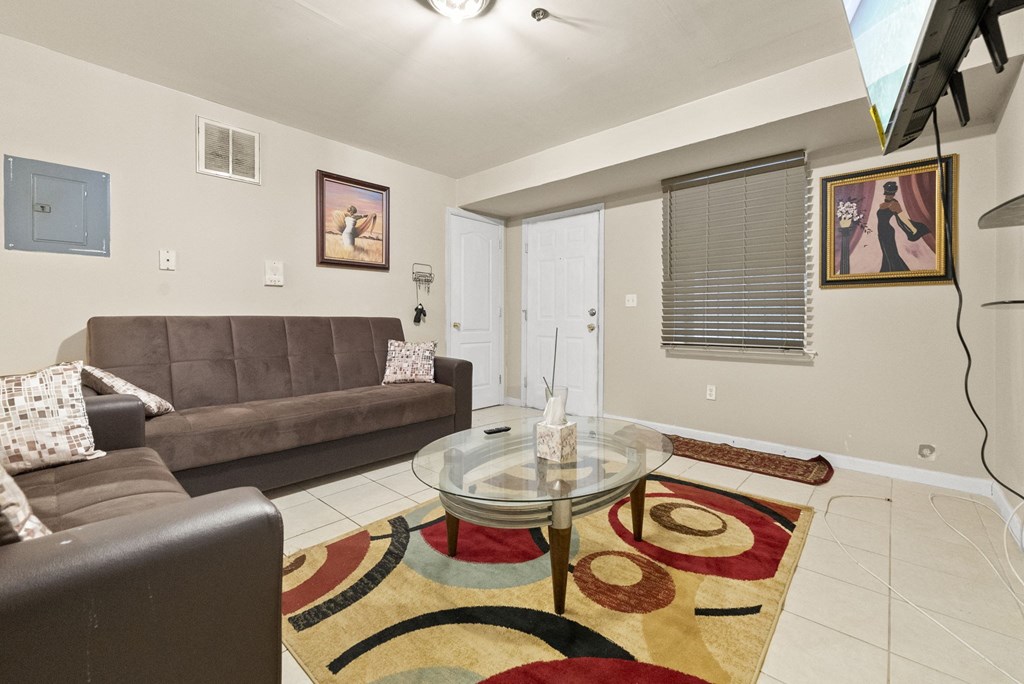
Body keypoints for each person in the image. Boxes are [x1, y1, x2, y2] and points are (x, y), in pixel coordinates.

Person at [875, 180, 928, 272]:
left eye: (891, 194)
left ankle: (897, 271)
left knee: (891, 253)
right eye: (887, 194)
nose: (889, 196)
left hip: (888, 232)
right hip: (881, 233)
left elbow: (903, 218)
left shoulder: (894, 204)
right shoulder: (881, 205)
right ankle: (887, 271)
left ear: (893, 194)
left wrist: (913, 228)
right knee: (886, 253)